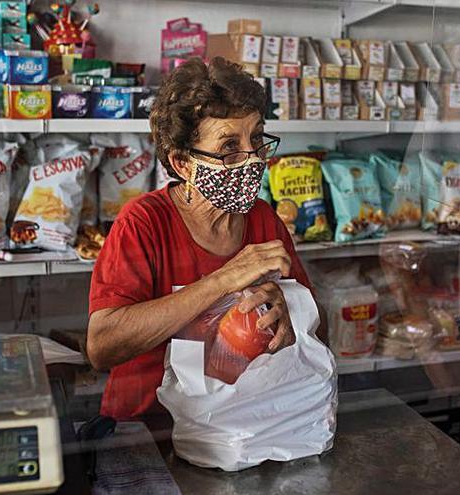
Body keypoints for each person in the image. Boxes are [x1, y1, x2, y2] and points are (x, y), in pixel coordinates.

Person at [86, 57, 317, 420]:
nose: (253, 159)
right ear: (182, 164)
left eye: (256, 139)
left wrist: (290, 312)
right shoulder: (143, 222)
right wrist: (222, 281)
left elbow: (314, 328)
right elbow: (102, 347)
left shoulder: (262, 219)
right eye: (228, 147)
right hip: (147, 428)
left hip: (234, 424)